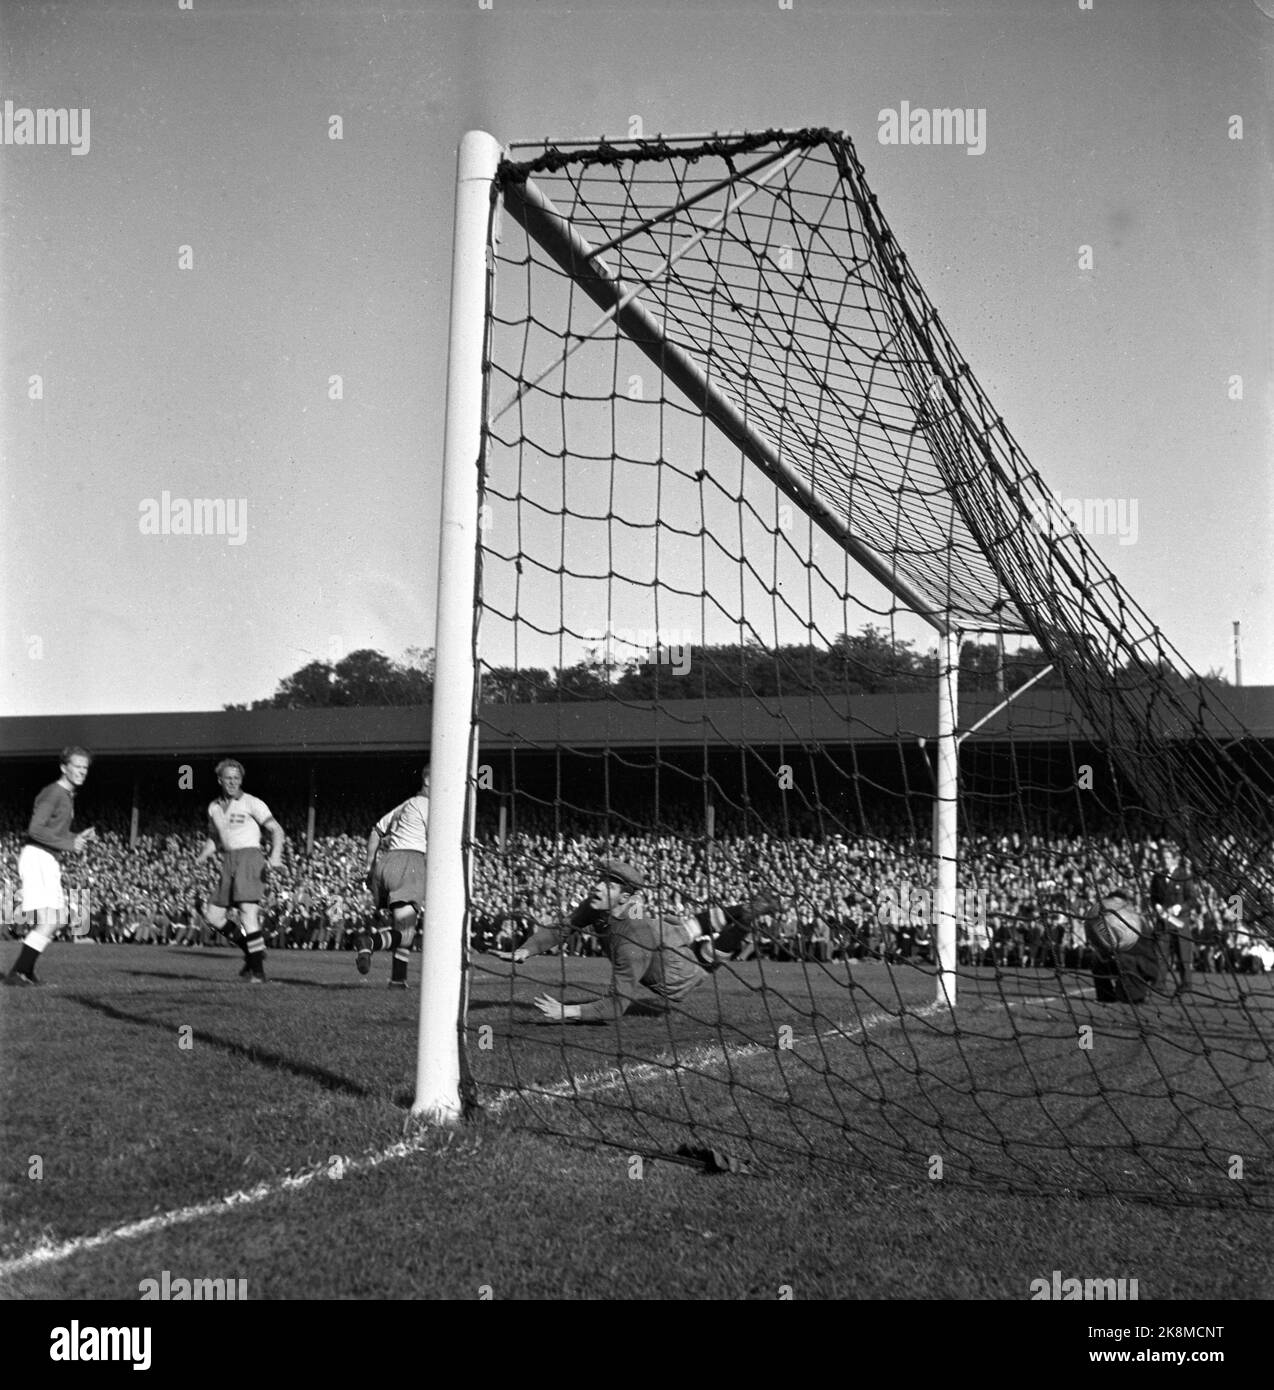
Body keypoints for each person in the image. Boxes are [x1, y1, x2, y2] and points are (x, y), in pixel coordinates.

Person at [499, 859, 709, 1022]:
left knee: (709, 955)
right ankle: (723, 920)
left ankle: (736, 920)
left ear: (624, 898)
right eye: (599, 880)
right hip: (656, 941)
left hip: (676, 977)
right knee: (668, 926)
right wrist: (525, 951)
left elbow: (616, 1005)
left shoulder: (633, 942)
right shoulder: (593, 906)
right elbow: (562, 929)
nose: (597, 887)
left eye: (608, 885)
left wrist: (567, 1010)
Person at [4, 746, 97, 985]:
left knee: (55, 918)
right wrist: (69, 843)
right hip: (38, 857)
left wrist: (76, 838)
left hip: (47, 858)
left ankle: (24, 971)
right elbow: (35, 830)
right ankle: (19, 973)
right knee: (51, 918)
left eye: (85, 767)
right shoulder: (54, 793)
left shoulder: (66, 796)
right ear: (63, 767)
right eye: (77, 766)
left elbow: (52, 832)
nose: (82, 771)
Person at [195, 758, 285, 982]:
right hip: (228, 861)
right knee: (213, 916)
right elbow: (215, 838)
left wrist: (275, 856)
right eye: (228, 778)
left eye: (236, 778)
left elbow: (276, 830)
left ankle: (258, 973)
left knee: (247, 913)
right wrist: (204, 854)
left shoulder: (252, 802)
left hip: (249, 858)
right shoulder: (214, 807)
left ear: (241, 780)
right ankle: (253, 951)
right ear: (220, 780)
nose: (233, 782)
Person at [358, 763, 429, 988]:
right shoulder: (427, 805)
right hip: (410, 862)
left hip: (386, 863)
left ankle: (398, 980)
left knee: (404, 926)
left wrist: (369, 865)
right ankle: (369, 941)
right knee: (406, 928)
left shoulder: (403, 806)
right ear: (428, 781)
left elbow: (376, 831)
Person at [1149, 845, 1198, 997]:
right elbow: (1153, 896)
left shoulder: (1184, 875)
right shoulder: (1157, 876)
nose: (1165, 861)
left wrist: (1177, 908)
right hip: (1163, 922)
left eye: (1168, 857)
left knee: (1183, 955)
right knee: (1161, 955)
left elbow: (1192, 900)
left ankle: (1186, 984)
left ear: (1175, 859)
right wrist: (1157, 906)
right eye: (1163, 858)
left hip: (1179, 922)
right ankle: (1159, 985)